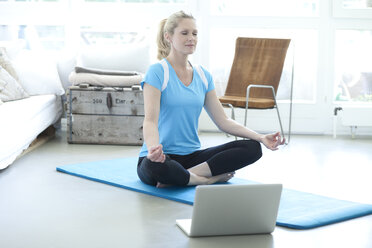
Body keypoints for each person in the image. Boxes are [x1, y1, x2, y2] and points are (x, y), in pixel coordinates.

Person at [137, 11, 285, 188]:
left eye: (194, 33)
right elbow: (150, 120)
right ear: (168, 37)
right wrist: (154, 149)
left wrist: (260, 137)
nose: (191, 38)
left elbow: (223, 121)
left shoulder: (203, 75)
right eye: (184, 33)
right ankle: (207, 179)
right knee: (155, 167)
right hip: (162, 158)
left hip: (192, 158)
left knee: (252, 148)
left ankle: (184, 177)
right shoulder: (157, 71)